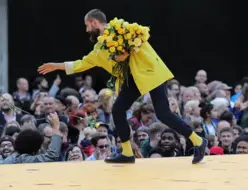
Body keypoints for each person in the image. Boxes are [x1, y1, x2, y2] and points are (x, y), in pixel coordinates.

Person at [37, 9, 207, 164]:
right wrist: (56, 65)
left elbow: (142, 35)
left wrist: (126, 51)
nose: (87, 30)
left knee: (163, 113)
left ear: (94, 23)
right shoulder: (98, 49)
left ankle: (198, 141)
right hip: (132, 80)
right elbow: (81, 63)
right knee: (118, 110)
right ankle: (127, 152)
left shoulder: (121, 27)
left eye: (87, 26)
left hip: (151, 72)